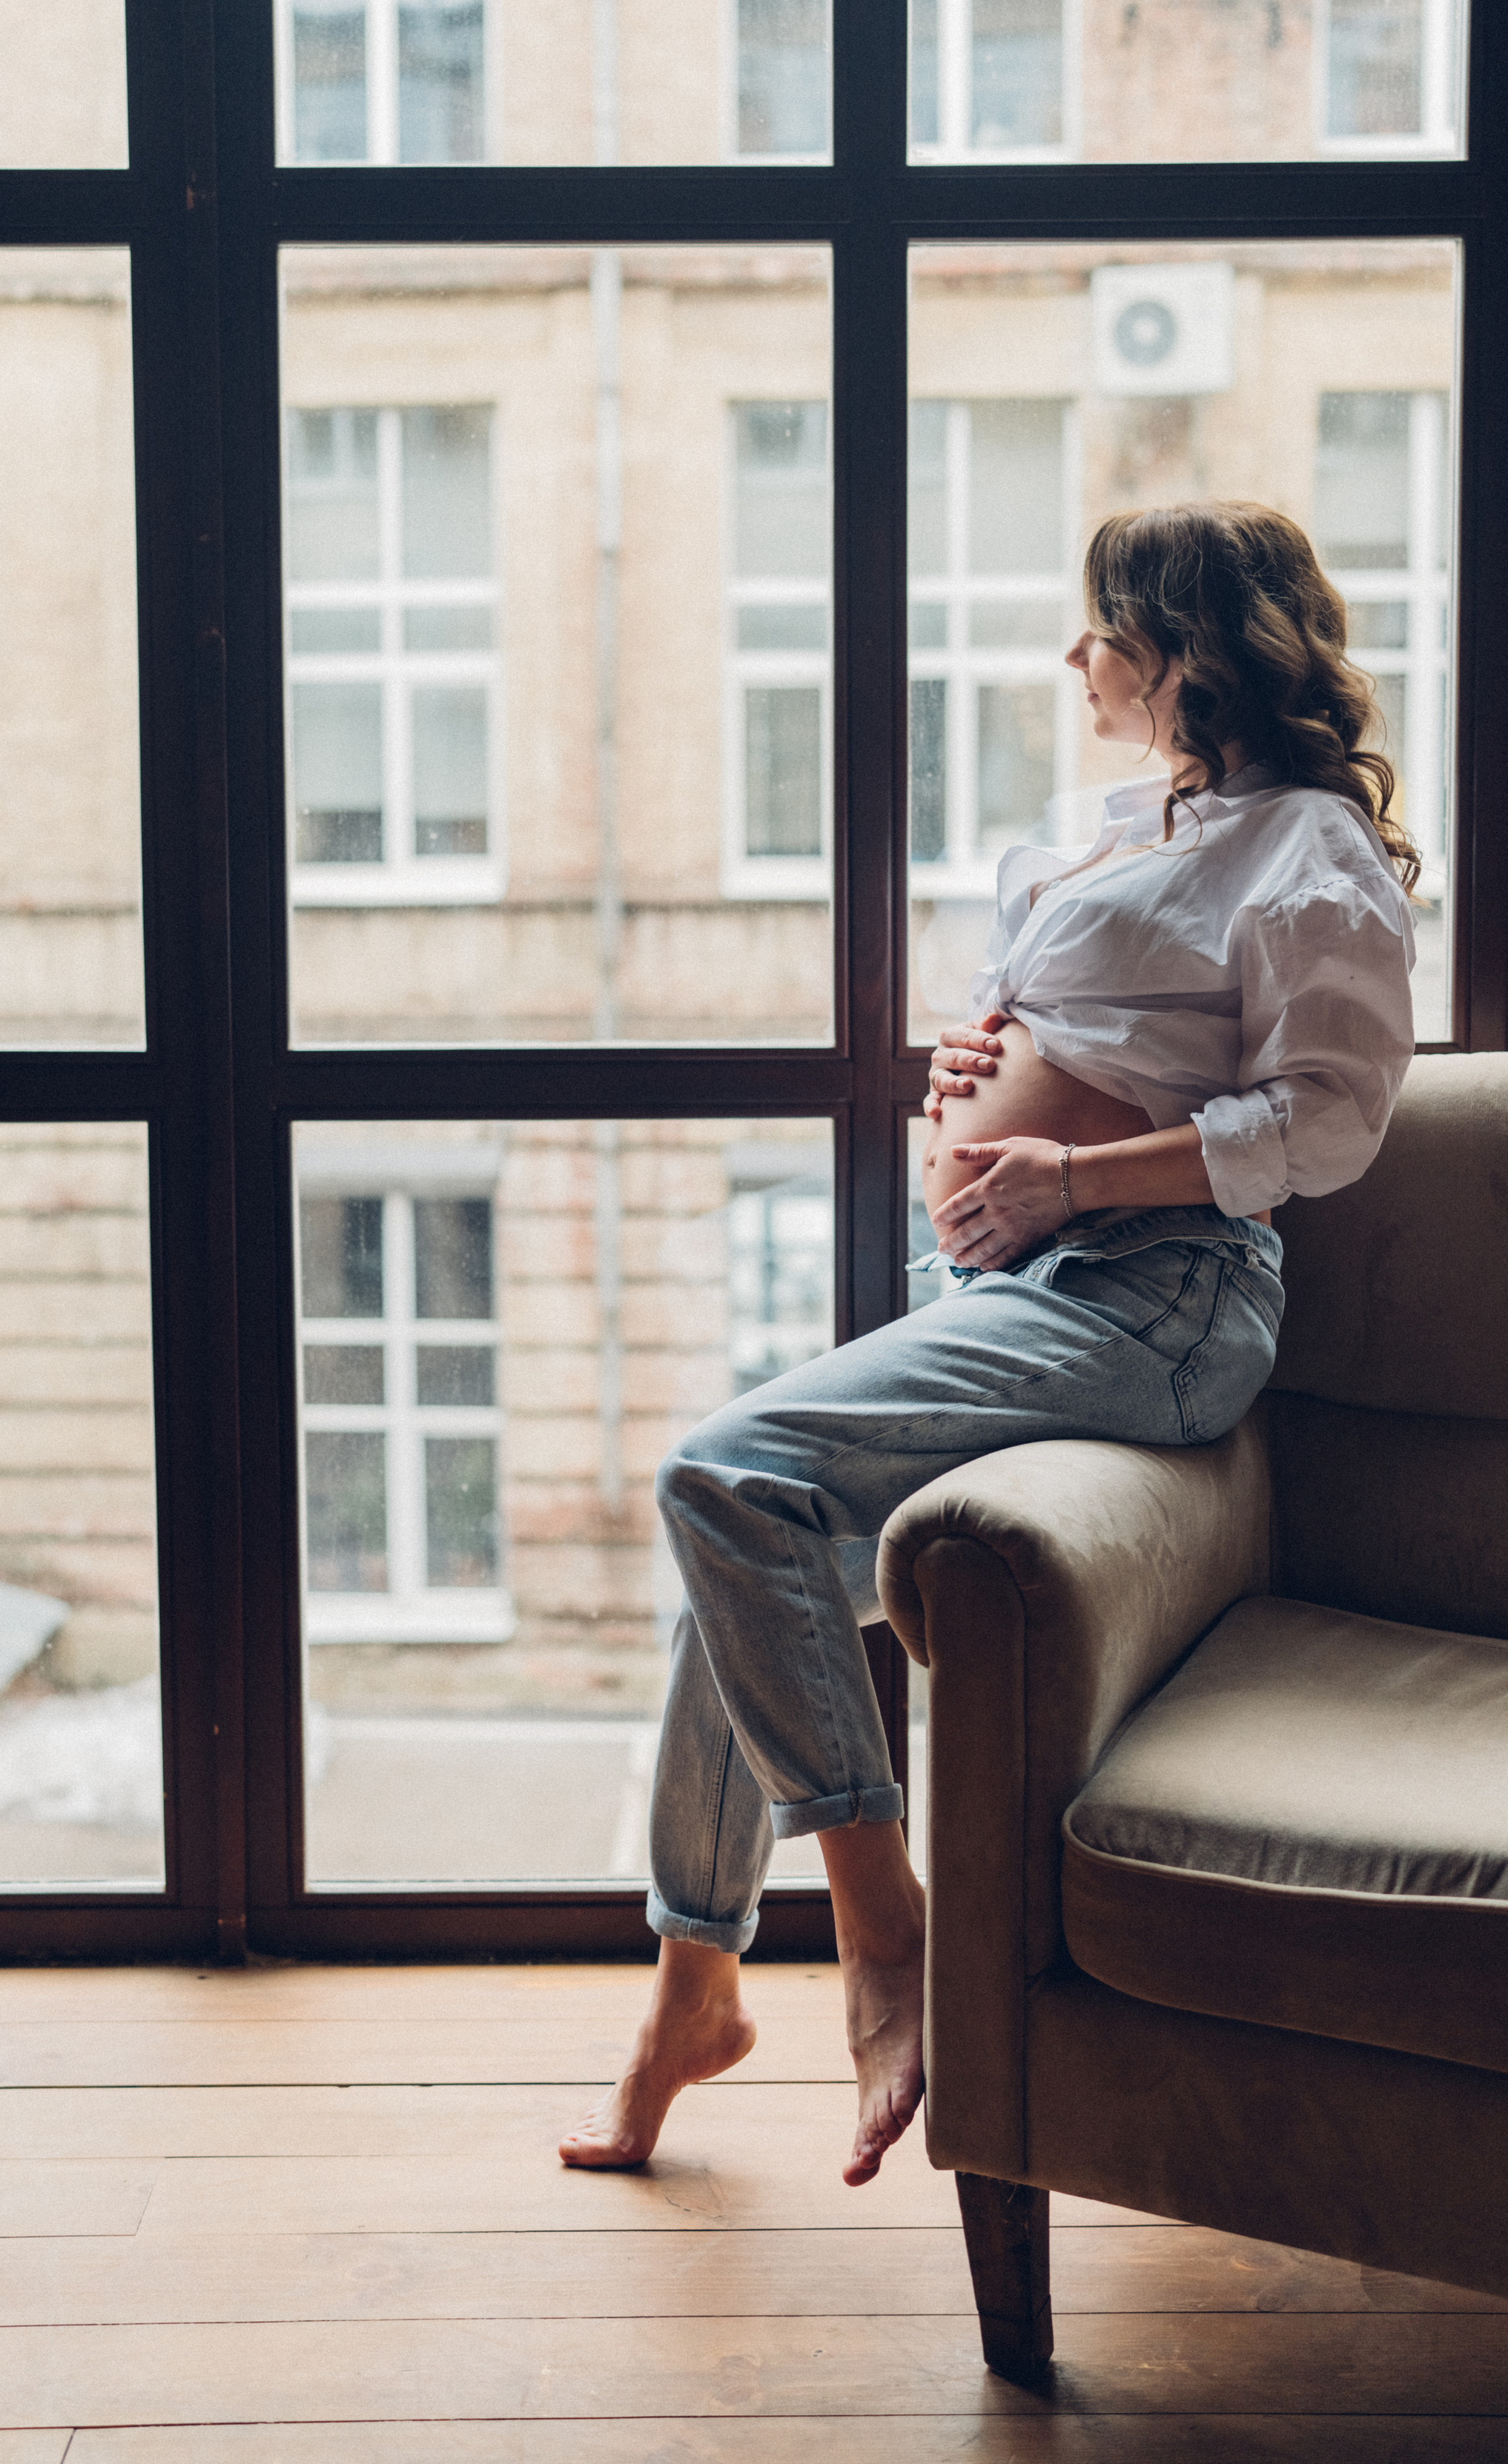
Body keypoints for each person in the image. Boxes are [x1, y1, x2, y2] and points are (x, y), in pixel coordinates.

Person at [558, 499, 1420, 2189]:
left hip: (1155, 1290)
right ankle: (692, 1992)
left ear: (1182, 652)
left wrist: (1063, 1166)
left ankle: (884, 1940)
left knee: (724, 1474)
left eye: (1099, 627)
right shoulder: (1121, 825)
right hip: (1015, 1288)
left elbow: (1327, 1121)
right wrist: (986, 1054)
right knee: (741, 1567)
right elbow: (1100, 1023)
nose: (1074, 656)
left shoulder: (1306, 849)